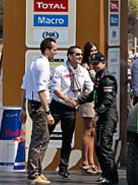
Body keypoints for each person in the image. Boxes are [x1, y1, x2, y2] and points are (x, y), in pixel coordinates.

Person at [49, 45, 93, 180]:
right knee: (45, 135)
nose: (80, 57)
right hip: (57, 106)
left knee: (67, 139)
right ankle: (36, 167)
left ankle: (63, 167)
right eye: (77, 54)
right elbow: (56, 89)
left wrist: (79, 100)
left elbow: (90, 88)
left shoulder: (84, 71)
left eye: (80, 55)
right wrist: (67, 99)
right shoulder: (59, 69)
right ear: (69, 56)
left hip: (71, 108)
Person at [20, 38, 58, 185]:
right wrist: (47, 112)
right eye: (54, 49)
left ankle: (37, 172)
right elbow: (41, 90)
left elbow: (24, 86)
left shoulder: (33, 62)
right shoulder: (43, 65)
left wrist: (23, 108)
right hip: (39, 105)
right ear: (47, 50)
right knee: (38, 140)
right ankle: (33, 174)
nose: (56, 52)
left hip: (32, 103)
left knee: (44, 138)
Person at [77, 52, 119, 185]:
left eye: (96, 64)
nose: (94, 66)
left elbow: (107, 100)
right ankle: (105, 175)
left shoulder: (107, 78)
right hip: (103, 116)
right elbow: (93, 95)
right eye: (92, 64)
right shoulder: (99, 77)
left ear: (103, 63)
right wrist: (79, 100)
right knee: (98, 146)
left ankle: (112, 177)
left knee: (104, 146)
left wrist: (97, 114)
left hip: (108, 116)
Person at [79, 42, 99, 176]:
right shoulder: (84, 67)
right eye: (91, 51)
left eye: (95, 50)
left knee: (92, 132)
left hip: (95, 102)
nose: (93, 53)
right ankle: (85, 162)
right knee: (87, 132)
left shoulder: (96, 65)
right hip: (87, 102)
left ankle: (92, 161)